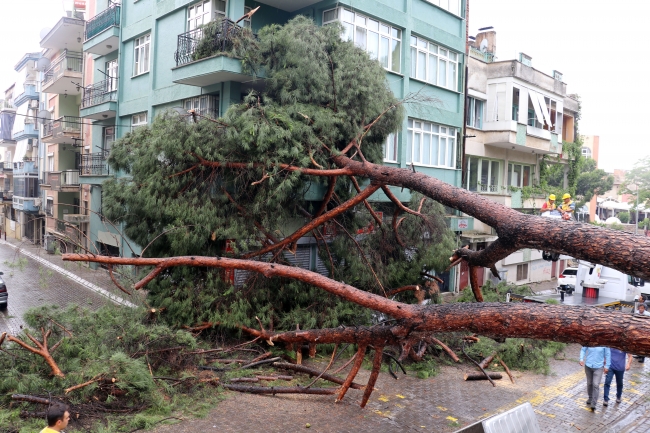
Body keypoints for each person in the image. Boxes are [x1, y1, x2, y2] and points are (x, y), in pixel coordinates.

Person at [579, 346, 610, 411]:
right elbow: (583, 349)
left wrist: (607, 366)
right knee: (589, 383)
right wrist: (581, 359)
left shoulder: (604, 343)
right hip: (588, 366)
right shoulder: (590, 340)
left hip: (599, 367)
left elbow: (608, 354)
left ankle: (594, 403)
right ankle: (590, 397)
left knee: (595, 384)